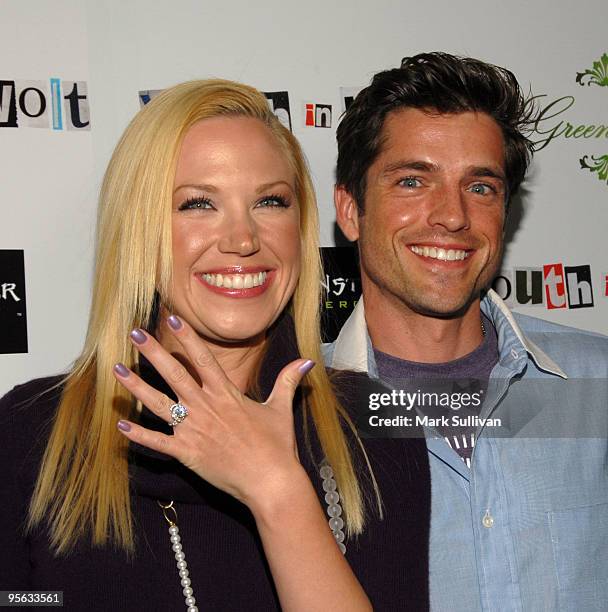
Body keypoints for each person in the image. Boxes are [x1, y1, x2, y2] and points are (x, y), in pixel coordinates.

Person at [0, 80, 430, 611]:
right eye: (198, 204)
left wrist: (279, 494)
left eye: (270, 201)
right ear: (141, 230)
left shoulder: (371, 428)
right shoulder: (33, 430)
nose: (244, 239)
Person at [327, 52, 608, 611]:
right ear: (351, 210)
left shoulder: (594, 384)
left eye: (480, 187)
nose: (452, 216)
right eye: (412, 181)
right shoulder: (297, 412)